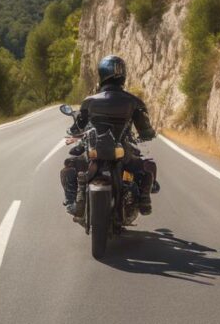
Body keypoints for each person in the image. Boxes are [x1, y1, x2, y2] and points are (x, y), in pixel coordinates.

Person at [60, 55, 157, 217]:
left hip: (94, 150)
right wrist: (148, 134)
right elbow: (145, 130)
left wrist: (73, 132)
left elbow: (78, 126)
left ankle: (74, 201)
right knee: (144, 167)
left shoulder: (89, 101)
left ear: (102, 74)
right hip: (121, 150)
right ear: (123, 75)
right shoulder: (134, 101)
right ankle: (144, 199)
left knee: (69, 167)